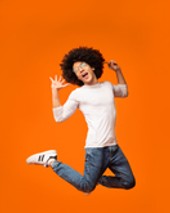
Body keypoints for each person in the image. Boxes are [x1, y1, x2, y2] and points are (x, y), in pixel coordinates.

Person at [26, 47, 137, 194]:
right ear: (77, 77)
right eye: (77, 70)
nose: (80, 70)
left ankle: (95, 178)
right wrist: (55, 91)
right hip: (96, 149)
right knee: (86, 187)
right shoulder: (78, 94)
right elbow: (59, 117)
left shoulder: (107, 86)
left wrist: (118, 71)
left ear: (92, 66)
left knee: (128, 182)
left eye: (83, 65)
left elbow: (124, 92)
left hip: (113, 148)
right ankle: (51, 161)